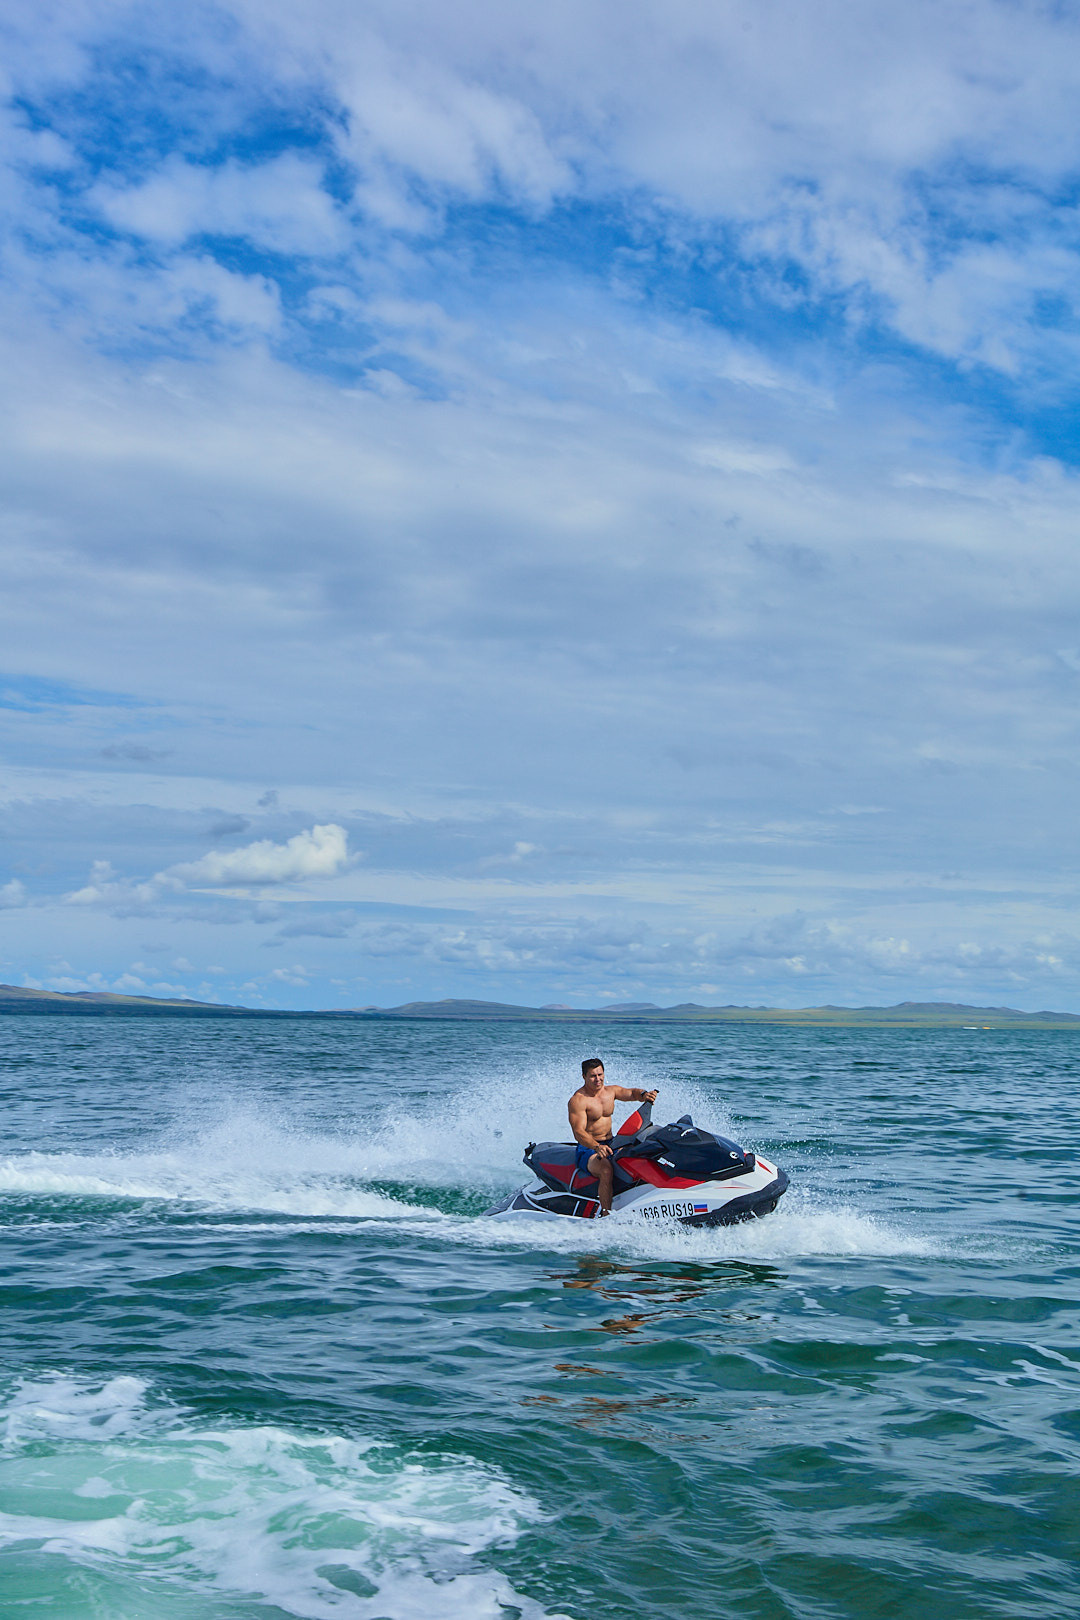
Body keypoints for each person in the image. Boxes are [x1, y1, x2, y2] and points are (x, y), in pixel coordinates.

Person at [567, 1059, 658, 1216]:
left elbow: (631, 1093)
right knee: (606, 1169)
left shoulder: (610, 1092)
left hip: (612, 1142)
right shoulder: (578, 1100)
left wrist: (644, 1095)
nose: (598, 1079)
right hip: (588, 1148)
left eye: (600, 1074)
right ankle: (606, 1214)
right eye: (592, 1076)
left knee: (641, 1154)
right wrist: (597, 1147)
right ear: (584, 1076)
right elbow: (579, 1132)